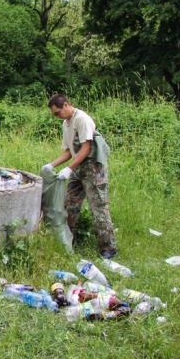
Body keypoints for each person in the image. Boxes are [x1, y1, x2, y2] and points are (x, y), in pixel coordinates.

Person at [43, 94, 117, 259]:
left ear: (66, 105)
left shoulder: (81, 119)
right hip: (78, 168)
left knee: (98, 207)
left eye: (57, 113)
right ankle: (68, 240)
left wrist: (69, 168)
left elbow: (86, 147)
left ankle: (108, 248)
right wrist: (51, 165)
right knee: (69, 204)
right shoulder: (66, 123)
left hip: (93, 168)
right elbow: (70, 151)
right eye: (54, 114)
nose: (56, 117)